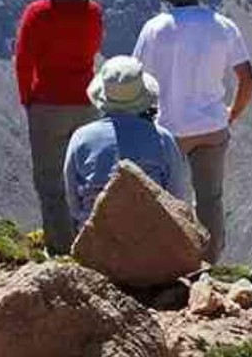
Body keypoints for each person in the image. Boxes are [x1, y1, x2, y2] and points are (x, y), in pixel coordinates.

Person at [133, 0, 252, 262]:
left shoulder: (153, 29)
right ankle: (209, 262)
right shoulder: (223, 26)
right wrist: (231, 114)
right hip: (212, 126)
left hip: (167, 129)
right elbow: (247, 77)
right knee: (210, 199)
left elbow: (136, 76)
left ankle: (171, 260)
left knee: (169, 198)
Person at [14, 0, 104, 254]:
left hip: (47, 106)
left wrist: (28, 99)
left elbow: (23, 62)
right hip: (87, 102)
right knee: (85, 179)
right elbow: (93, 49)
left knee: (50, 182)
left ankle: (60, 249)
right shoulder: (92, 12)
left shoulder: (36, 14)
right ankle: (90, 244)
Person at [64, 55, 188, 231]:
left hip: (96, 235)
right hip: (151, 234)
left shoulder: (81, 138)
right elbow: (177, 196)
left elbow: (73, 201)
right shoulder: (162, 139)